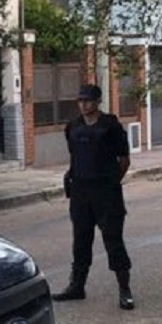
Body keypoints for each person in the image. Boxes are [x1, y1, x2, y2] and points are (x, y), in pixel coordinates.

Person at [52, 83, 135, 310]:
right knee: (80, 240)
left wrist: (111, 182)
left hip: (106, 192)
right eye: (80, 101)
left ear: (98, 102)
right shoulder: (73, 127)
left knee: (113, 240)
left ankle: (124, 289)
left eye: (88, 100)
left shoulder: (110, 125)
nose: (83, 105)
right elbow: (74, 157)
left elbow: (124, 159)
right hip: (80, 191)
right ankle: (77, 286)